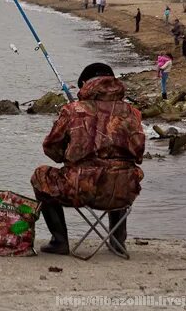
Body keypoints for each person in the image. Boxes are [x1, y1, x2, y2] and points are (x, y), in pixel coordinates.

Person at [31, 63, 145, 255]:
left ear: (84, 83)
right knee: (119, 172)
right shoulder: (132, 112)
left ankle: (59, 241)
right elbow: (138, 153)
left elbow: (51, 148)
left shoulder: (72, 110)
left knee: (41, 175)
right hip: (123, 191)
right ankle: (118, 241)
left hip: (81, 189)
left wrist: (67, 156)